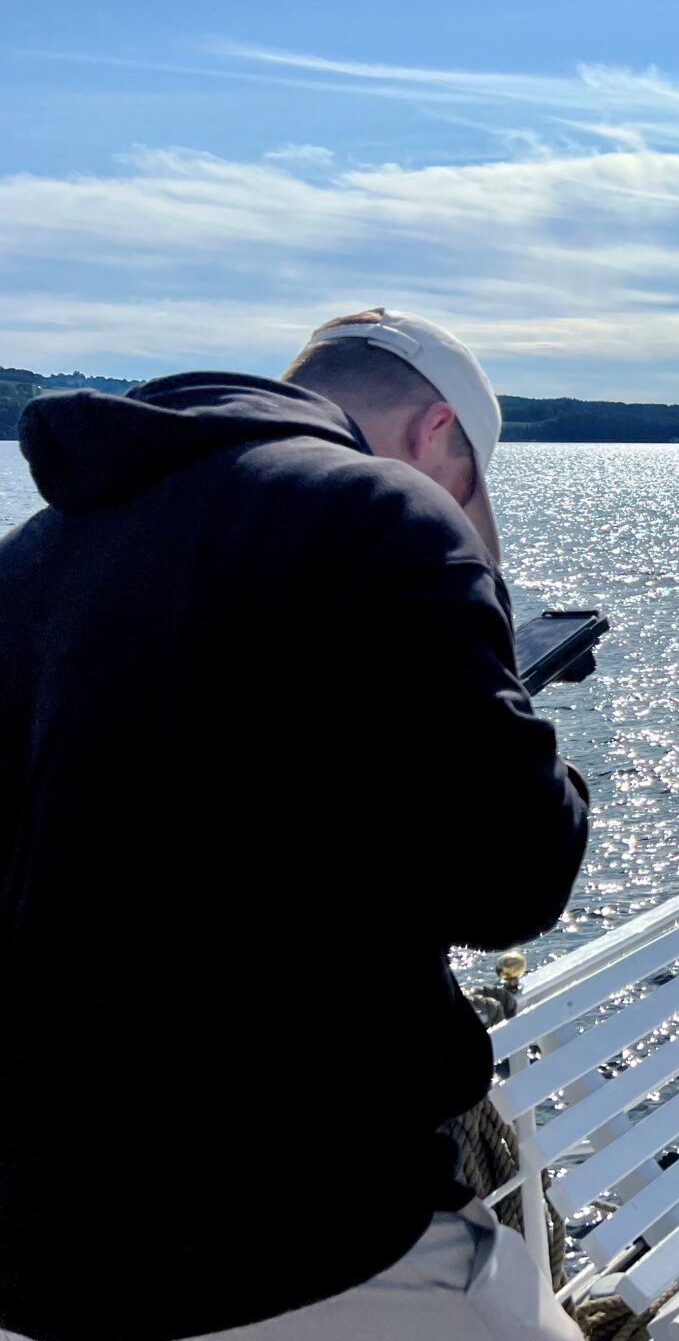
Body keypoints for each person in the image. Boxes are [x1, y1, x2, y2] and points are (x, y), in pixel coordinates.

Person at [0, 310, 589, 1341]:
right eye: (465, 483)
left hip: (42, 1254)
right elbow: (513, 877)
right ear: (436, 431)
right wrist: (500, 663)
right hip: (300, 1239)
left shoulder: (32, 555)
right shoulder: (378, 509)